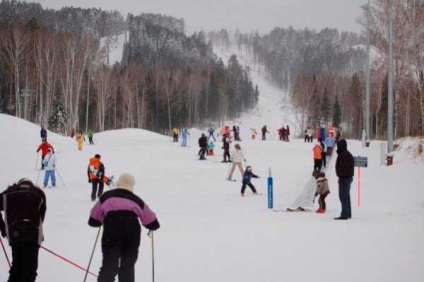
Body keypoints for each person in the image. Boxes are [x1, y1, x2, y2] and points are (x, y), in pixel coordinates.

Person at [88, 173, 160, 282]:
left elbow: (94, 218)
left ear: (118, 183)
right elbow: (152, 221)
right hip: (131, 230)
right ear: (132, 186)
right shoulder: (136, 200)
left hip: (112, 228)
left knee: (109, 263)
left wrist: (99, 221)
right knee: (127, 264)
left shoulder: (106, 196)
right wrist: (152, 225)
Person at [0, 178, 46, 282]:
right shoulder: (39, 193)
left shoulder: (9, 192)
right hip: (32, 236)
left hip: (15, 235)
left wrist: (2, 227)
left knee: (17, 266)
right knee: (30, 269)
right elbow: (42, 215)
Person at [335, 139, 354, 220]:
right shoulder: (346, 154)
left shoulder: (344, 155)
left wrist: (340, 175)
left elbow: (344, 168)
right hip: (347, 178)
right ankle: (348, 213)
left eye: (338, 146)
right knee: (346, 196)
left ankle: (344, 214)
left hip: (344, 178)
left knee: (343, 196)